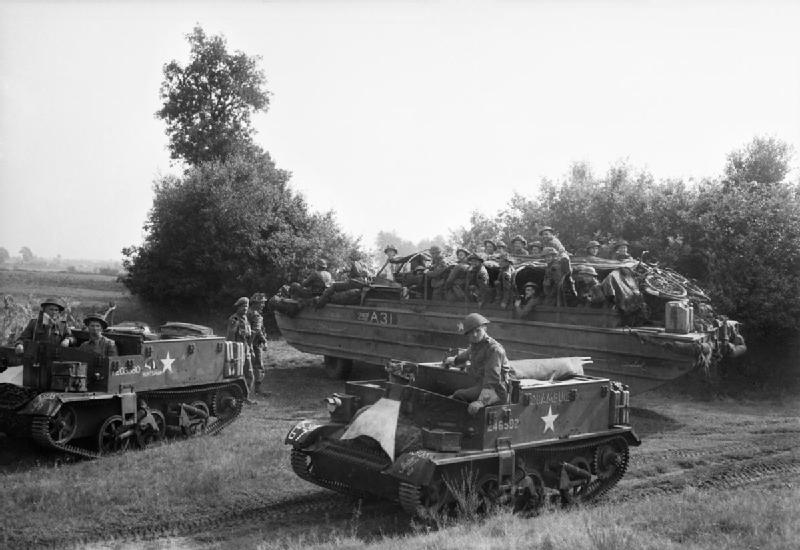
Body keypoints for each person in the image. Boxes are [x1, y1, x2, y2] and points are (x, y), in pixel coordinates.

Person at [444, 313, 516, 415]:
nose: (474, 335)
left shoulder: (494, 349)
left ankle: (467, 424)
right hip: (482, 385)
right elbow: (467, 354)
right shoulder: (476, 345)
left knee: (459, 395)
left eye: (478, 331)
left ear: (485, 329)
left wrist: (481, 402)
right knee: (454, 394)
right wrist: (454, 360)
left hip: (497, 391)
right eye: (470, 333)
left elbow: (493, 379)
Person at [227, 297, 257, 405]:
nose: (245, 309)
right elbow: (230, 337)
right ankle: (233, 398)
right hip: (237, 352)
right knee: (236, 376)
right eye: (243, 306)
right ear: (238, 307)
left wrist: (251, 350)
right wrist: (232, 353)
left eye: (247, 307)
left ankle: (246, 397)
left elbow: (248, 338)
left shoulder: (246, 320)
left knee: (250, 374)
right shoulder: (234, 319)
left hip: (246, 350)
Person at [247, 292, 270, 396]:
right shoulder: (256, 315)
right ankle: (258, 389)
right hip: (255, 344)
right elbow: (257, 330)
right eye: (261, 303)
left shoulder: (247, 312)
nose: (263, 305)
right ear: (256, 303)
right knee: (258, 366)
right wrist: (264, 340)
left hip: (246, 342)